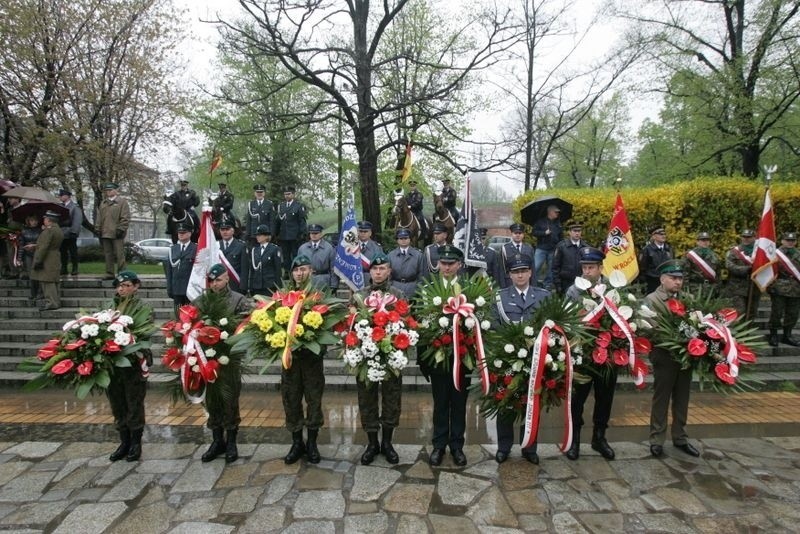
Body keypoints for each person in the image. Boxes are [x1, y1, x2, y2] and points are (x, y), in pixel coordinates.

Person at [493, 254, 550, 464]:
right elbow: (494, 327)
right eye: (516, 271)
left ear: (530, 272)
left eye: (524, 271)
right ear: (509, 274)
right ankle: (504, 447)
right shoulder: (499, 297)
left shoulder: (543, 296)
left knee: (532, 403)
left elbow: (549, 326)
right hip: (507, 360)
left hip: (535, 358)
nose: (520, 275)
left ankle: (529, 447)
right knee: (505, 403)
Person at [418, 245, 471, 467]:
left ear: (459, 265)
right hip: (438, 358)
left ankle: (457, 446)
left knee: (459, 404)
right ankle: (439, 446)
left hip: (463, 356)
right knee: (440, 404)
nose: (446, 267)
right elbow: (420, 324)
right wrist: (423, 360)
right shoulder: (428, 288)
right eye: (443, 263)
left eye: (451, 263)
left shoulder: (469, 288)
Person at [194, 264, 252, 464]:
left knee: (229, 399)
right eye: (211, 280)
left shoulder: (238, 300)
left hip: (229, 360)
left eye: (218, 280)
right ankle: (217, 440)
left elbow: (247, 325)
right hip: (206, 360)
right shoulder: (201, 301)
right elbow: (190, 325)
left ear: (227, 279)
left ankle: (231, 441)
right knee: (212, 400)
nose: (214, 284)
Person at [564, 246, 617, 461]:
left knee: (605, 398)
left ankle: (599, 437)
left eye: (591, 267)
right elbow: (567, 320)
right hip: (583, 355)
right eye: (584, 267)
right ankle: (574, 439)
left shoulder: (613, 289)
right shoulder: (573, 291)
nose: (587, 271)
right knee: (577, 400)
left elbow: (622, 319)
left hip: (609, 354)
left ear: (600, 268)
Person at [645, 260, 700, 458]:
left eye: (680, 278)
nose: (677, 282)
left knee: (682, 397)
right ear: (662, 279)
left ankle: (680, 437)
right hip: (664, 355)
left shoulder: (688, 298)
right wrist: (677, 338)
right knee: (662, 397)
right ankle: (656, 440)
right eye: (673, 278)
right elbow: (651, 328)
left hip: (686, 355)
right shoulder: (652, 300)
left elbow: (698, 323)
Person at [354, 253, 406, 465]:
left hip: (390, 356)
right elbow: (351, 325)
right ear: (370, 271)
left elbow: (407, 324)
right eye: (374, 269)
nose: (378, 272)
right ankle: (372, 443)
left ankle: (387, 442)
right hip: (366, 358)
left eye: (382, 268)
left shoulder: (398, 295)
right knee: (367, 399)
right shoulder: (358, 296)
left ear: (389, 271)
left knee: (392, 398)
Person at [282, 255, 327, 465]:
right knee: (291, 399)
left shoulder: (320, 296)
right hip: (291, 360)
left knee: (314, 400)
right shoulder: (283, 297)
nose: (300, 273)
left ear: (312, 271)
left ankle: (312, 443)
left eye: (304, 269)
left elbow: (328, 326)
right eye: (296, 270)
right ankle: (296, 442)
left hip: (312, 360)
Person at [106, 271, 154, 463]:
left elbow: (145, 330)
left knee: (134, 402)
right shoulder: (109, 307)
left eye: (126, 285)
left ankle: (135, 442)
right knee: (117, 402)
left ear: (136, 286)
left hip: (134, 361)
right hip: (113, 362)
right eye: (119, 285)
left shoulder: (143, 307)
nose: (122, 289)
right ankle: (123, 441)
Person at [767, 232, 800, 347]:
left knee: (793, 314)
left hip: (796, 289)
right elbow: (768, 271)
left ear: (795, 242)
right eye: (787, 240)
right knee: (777, 312)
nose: (790, 242)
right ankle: (774, 335)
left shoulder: (798, 254)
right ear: (782, 241)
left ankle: (787, 335)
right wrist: (770, 287)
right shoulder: (775, 254)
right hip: (779, 288)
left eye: (792, 240)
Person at [723, 229, 760, 322]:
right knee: (740, 312)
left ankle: (747, 334)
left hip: (754, 286)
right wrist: (747, 269)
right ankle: (738, 334)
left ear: (754, 238)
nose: (746, 239)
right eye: (744, 237)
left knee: (752, 312)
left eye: (749, 237)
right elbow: (730, 266)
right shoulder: (734, 251)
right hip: (737, 288)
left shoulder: (760, 253)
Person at [96, 183, 131, 280]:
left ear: (116, 190)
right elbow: (99, 217)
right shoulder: (103, 203)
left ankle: (122, 272)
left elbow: (125, 217)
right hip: (105, 232)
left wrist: (121, 229)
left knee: (119, 254)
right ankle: (109, 273)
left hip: (117, 232)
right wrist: (98, 228)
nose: (108, 192)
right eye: (107, 190)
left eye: (110, 190)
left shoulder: (122, 202)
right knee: (108, 254)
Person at [31, 210, 64, 311]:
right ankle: (56, 301)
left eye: (45, 219)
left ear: (49, 220)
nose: (44, 220)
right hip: (55, 256)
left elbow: (44, 247)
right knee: (54, 281)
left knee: (47, 281)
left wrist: (37, 260)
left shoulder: (48, 231)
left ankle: (51, 303)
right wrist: (35, 246)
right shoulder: (58, 230)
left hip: (47, 258)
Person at [164, 225, 196, 316]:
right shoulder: (173, 249)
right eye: (179, 233)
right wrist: (169, 288)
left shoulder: (195, 248)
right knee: (178, 315)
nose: (181, 235)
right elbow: (169, 272)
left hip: (189, 289)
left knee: (189, 316)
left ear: (190, 233)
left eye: (183, 233)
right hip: (176, 288)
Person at [276, 185, 307, 274]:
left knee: (295, 255)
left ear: (293, 195)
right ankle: (287, 272)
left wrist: (302, 234)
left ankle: (295, 270)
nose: (287, 196)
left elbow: (302, 221)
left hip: (295, 236)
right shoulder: (281, 206)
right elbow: (278, 221)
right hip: (283, 236)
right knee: (285, 255)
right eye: (285, 194)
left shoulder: (298, 206)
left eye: (289, 194)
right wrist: (276, 234)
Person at [297, 224, 338, 291]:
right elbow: (298, 267)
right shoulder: (302, 248)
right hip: (306, 281)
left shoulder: (329, 248)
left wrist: (334, 285)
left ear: (321, 234)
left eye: (316, 233)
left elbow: (333, 268)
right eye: (312, 233)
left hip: (323, 282)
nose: (314, 235)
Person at [551, 220, 589, 294]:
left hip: (581, 282)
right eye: (575, 231)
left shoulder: (585, 247)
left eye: (579, 231)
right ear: (570, 232)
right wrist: (557, 284)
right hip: (565, 282)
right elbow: (555, 266)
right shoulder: (561, 246)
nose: (577, 233)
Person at [387, 228, 425, 299]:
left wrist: (418, 290)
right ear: (397, 240)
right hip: (395, 288)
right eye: (401, 238)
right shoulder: (390, 255)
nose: (403, 240)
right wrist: (390, 288)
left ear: (410, 239)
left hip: (412, 288)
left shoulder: (418, 255)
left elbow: (421, 275)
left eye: (406, 238)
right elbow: (388, 275)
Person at [532, 205, 562, 290]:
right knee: (536, 266)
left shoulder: (558, 223)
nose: (557, 213)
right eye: (556, 212)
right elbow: (534, 232)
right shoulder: (540, 221)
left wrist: (559, 248)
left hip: (553, 249)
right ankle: (533, 282)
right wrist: (544, 233)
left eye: (558, 212)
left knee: (551, 269)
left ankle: (547, 284)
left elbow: (561, 236)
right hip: (541, 248)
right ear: (550, 212)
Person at [246, 224, 282, 297]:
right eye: (257, 235)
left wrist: (278, 287)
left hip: (269, 286)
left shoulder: (274, 249)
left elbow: (277, 270)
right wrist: (250, 287)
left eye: (260, 235)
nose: (257, 237)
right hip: (256, 286)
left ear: (266, 236)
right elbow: (252, 270)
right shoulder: (254, 250)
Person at [638, 227, 673, 294]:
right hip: (653, 280)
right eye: (660, 234)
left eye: (664, 234)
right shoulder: (647, 249)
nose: (663, 236)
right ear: (654, 236)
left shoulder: (669, 249)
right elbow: (643, 266)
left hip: (667, 279)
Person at [218, 221, 249, 294]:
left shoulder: (241, 246)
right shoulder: (216, 245)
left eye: (227, 229)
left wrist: (243, 287)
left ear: (233, 231)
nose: (225, 232)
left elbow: (244, 269)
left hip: (235, 285)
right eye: (222, 230)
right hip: (219, 286)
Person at [501, 223, 535, 288]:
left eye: (520, 233)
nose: (518, 235)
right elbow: (502, 270)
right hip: (510, 283)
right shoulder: (505, 248)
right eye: (515, 233)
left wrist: (533, 286)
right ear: (511, 234)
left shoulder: (529, 248)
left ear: (523, 234)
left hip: (526, 283)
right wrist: (503, 287)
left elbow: (532, 268)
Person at [58, 189, 82, 276]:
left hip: (70, 231)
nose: (60, 197)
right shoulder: (60, 206)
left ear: (67, 196)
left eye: (62, 195)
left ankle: (75, 268)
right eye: (60, 195)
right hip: (61, 232)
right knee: (63, 251)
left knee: (73, 251)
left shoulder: (74, 207)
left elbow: (77, 220)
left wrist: (74, 232)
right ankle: (64, 267)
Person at [19, 215, 42, 299]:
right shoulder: (24, 231)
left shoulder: (41, 231)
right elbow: (21, 245)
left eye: (35, 220)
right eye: (32, 220)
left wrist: (35, 245)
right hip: (28, 255)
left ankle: (40, 292)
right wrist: (19, 258)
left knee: (39, 273)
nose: (34, 222)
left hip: (38, 254)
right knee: (31, 274)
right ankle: (33, 293)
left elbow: (43, 243)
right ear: (28, 221)